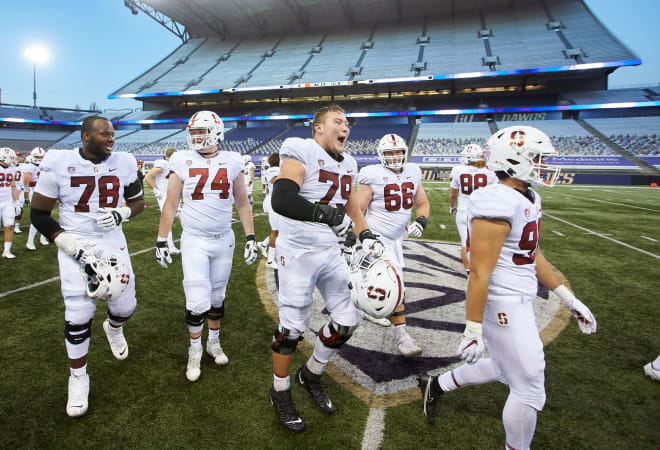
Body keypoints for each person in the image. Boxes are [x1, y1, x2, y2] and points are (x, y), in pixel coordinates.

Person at [418, 126, 597, 449]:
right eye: (537, 158)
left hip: (519, 295)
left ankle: (436, 384)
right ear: (515, 160)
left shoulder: (528, 195)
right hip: (502, 300)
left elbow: (533, 254)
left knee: (504, 368)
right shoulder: (496, 199)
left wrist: (567, 297)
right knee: (529, 385)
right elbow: (478, 272)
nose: (543, 164)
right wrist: (472, 329)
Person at [268, 104, 384, 433]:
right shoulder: (301, 150)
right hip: (298, 251)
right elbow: (283, 197)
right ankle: (280, 391)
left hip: (330, 251)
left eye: (347, 122)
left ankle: (312, 374)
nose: (345, 127)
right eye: (337, 121)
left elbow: (349, 206)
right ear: (319, 128)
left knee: (348, 320)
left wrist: (366, 234)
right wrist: (323, 215)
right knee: (291, 329)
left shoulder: (348, 163)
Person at [29, 115, 145, 417]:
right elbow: (39, 214)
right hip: (74, 243)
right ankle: (78, 377)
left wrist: (123, 213)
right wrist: (65, 242)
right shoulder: (58, 162)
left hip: (112, 242)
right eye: (103, 134)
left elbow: (138, 202)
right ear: (85, 136)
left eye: (112, 134)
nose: (110, 138)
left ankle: (114, 327)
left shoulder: (124, 162)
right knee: (79, 313)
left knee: (125, 307)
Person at [154, 110, 257, 383]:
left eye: (201, 131)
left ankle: (213, 341)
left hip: (224, 238)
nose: (196, 136)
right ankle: (195, 348)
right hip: (195, 239)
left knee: (216, 297)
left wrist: (250, 236)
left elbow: (242, 202)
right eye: (194, 132)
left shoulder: (233, 160)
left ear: (216, 132)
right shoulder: (181, 159)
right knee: (196, 299)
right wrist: (162, 238)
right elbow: (171, 203)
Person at [355, 133, 430, 356]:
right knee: (397, 285)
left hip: (397, 239)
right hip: (377, 238)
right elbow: (358, 210)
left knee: (377, 282)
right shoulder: (372, 174)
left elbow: (423, 202)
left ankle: (366, 307)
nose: (395, 156)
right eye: (390, 153)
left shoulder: (413, 171)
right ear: (381, 156)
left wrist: (422, 220)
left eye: (398, 152)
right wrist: (360, 236)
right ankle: (402, 336)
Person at [449, 144, 498, 273]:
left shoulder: (458, 170)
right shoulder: (490, 172)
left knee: (465, 243)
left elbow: (453, 194)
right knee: (483, 243)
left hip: (464, 211)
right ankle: (484, 269)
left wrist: (452, 207)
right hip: (483, 212)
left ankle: (469, 271)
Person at [144, 147, 180, 254]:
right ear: (172, 155)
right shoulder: (163, 163)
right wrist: (155, 190)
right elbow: (148, 176)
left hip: (173, 195)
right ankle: (170, 246)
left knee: (182, 216)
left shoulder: (173, 165)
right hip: (164, 195)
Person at [257, 152, 280, 269]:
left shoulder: (269, 170)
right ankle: (270, 261)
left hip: (270, 199)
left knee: (280, 229)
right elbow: (276, 182)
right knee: (276, 231)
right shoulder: (276, 171)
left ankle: (264, 244)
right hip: (274, 201)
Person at [24, 146, 50, 249]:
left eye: (41, 157)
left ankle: (43, 238)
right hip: (34, 192)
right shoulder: (29, 166)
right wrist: (26, 196)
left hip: (45, 192)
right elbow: (27, 182)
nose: (39, 159)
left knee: (46, 216)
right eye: (37, 156)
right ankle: (30, 241)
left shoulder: (45, 165)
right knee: (37, 217)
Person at [0, 147, 21, 258]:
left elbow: (13, 186)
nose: (14, 160)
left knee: (9, 226)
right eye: (11, 158)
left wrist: (17, 202)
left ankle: (7, 251)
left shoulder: (10, 169)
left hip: (7, 202)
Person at [12, 151, 26, 234]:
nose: (18, 158)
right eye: (17, 156)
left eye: (19, 156)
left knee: (19, 208)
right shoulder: (8, 167)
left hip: (20, 190)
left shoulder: (23, 166)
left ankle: (16, 226)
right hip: (9, 190)